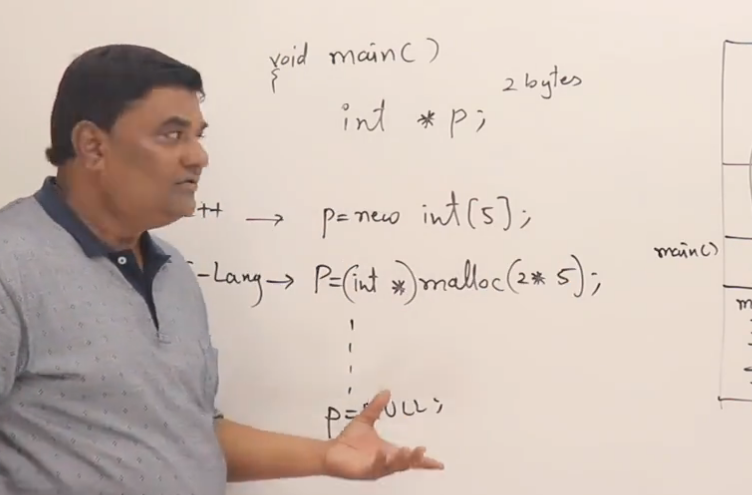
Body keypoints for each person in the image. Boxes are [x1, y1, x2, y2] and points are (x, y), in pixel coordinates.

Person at [0, 44, 443, 494]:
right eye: (172, 135)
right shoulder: (11, 266)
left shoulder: (171, 272)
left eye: (198, 135)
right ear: (93, 146)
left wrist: (326, 456)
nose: (198, 157)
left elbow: (189, 432)